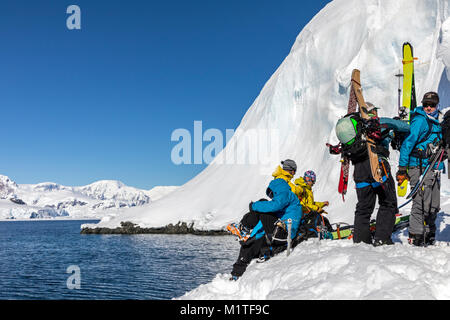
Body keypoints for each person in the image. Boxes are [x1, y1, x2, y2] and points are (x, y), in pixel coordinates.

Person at [333, 102, 397, 246]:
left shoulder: (356, 130)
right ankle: (382, 239)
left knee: (363, 208)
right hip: (376, 165)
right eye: (374, 111)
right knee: (388, 202)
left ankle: (361, 242)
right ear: (371, 112)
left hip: (359, 171)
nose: (376, 113)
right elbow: (404, 126)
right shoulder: (377, 123)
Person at [229, 160, 303, 280]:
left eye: (272, 193)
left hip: (284, 232)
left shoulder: (280, 184)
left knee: (263, 204)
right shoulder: (286, 190)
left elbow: (275, 205)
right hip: (282, 231)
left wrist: (253, 206)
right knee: (250, 243)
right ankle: (236, 274)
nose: (272, 195)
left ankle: (243, 227)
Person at [396, 92, 444, 246]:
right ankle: (416, 234)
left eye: (432, 105)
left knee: (433, 204)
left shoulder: (438, 120)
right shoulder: (420, 121)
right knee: (420, 202)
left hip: (434, 167)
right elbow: (407, 144)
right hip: (418, 166)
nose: (428, 108)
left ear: (437, 105)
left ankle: (430, 231)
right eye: (426, 105)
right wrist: (403, 168)